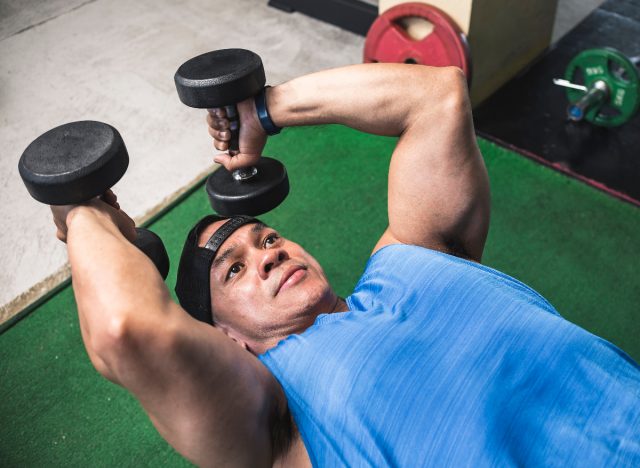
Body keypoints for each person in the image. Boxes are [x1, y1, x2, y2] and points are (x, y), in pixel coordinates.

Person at [51, 63, 640, 467]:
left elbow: (436, 96)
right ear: (225, 337)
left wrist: (262, 110)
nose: (267, 255)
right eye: (233, 270)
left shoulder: (414, 258)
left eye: (267, 237)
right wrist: (82, 214)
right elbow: (124, 330)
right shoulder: (272, 415)